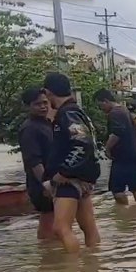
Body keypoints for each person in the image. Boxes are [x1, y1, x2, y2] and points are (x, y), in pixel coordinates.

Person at [41, 72, 100, 253]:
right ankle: (94, 267)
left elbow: (82, 143)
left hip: (70, 178)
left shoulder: (67, 113)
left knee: (61, 228)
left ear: (48, 92)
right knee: (88, 227)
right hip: (83, 177)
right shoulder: (77, 111)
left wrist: (63, 172)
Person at [95, 89, 136, 205]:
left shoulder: (115, 113)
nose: (101, 109)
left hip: (124, 157)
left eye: (100, 106)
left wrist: (107, 149)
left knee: (117, 190)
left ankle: (124, 216)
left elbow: (117, 133)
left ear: (105, 101)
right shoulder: (124, 110)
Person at [18, 87, 55, 240]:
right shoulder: (29, 129)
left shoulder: (46, 124)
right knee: (48, 222)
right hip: (41, 183)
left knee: (56, 223)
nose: (43, 107)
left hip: (52, 180)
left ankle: (52, 258)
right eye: (37, 104)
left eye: (45, 103)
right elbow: (34, 161)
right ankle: (46, 258)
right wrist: (46, 184)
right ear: (28, 106)